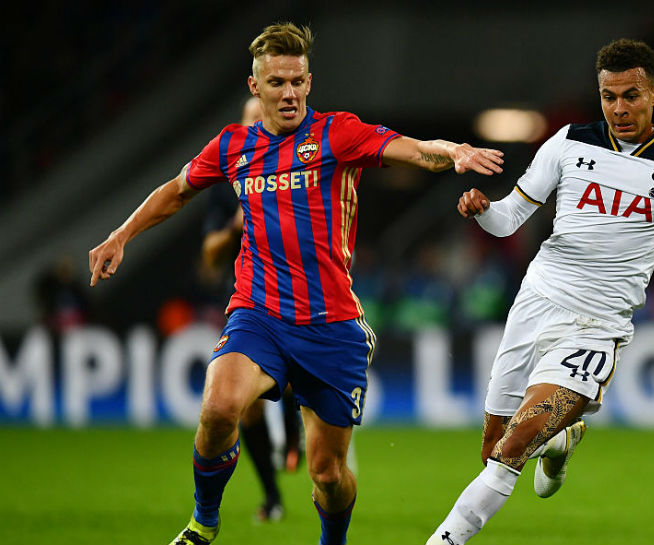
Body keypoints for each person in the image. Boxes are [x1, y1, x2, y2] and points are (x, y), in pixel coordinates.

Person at [87, 22, 503, 545]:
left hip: (332, 326)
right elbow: (176, 191)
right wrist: (121, 235)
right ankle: (203, 522)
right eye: (278, 82)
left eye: (298, 81)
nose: (289, 92)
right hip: (257, 313)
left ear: (309, 82)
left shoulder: (338, 133)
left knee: (327, 474)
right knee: (218, 410)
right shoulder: (233, 146)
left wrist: (452, 153)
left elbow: (413, 149)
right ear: (254, 86)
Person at [426, 38, 654, 545]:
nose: (619, 109)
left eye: (631, 95)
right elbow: (509, 220)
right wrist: (483, 210)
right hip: (536, 302)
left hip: (598, 325)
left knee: (515, 444)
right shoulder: (568, 142)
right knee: (493, 448)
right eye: (609, 97)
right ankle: (562, 438)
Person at [200, 95, 303, 523]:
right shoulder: (228, 187)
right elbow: (209, 255)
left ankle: (296, 439)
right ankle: (273, 495)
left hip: (301, 300)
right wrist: (234, 228)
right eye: (249, 122)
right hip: (250, 303)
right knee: (247, 405)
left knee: (298, 382)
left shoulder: (301, 174)